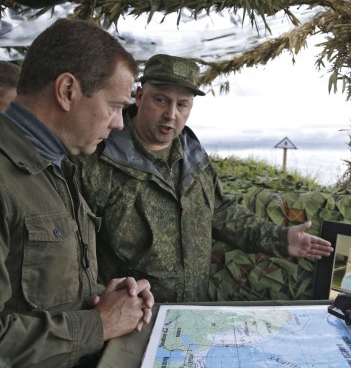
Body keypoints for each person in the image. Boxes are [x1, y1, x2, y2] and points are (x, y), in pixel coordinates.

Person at [75, 54, 333, 302]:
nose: (171, 114)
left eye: (182, 104)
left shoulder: (192, 154)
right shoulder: (99, 159)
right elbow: (75, 253)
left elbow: (221, 211)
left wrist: (281, 238)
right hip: (131, 321)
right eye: (161, 100)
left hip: (189, 314)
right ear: (140, 97)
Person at [0, 18, 154, 368]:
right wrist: (99, 324)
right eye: (114, 106)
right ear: (67, 90)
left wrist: (102, 298)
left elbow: (40, 293)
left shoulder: (56, 169)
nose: (118, 123)